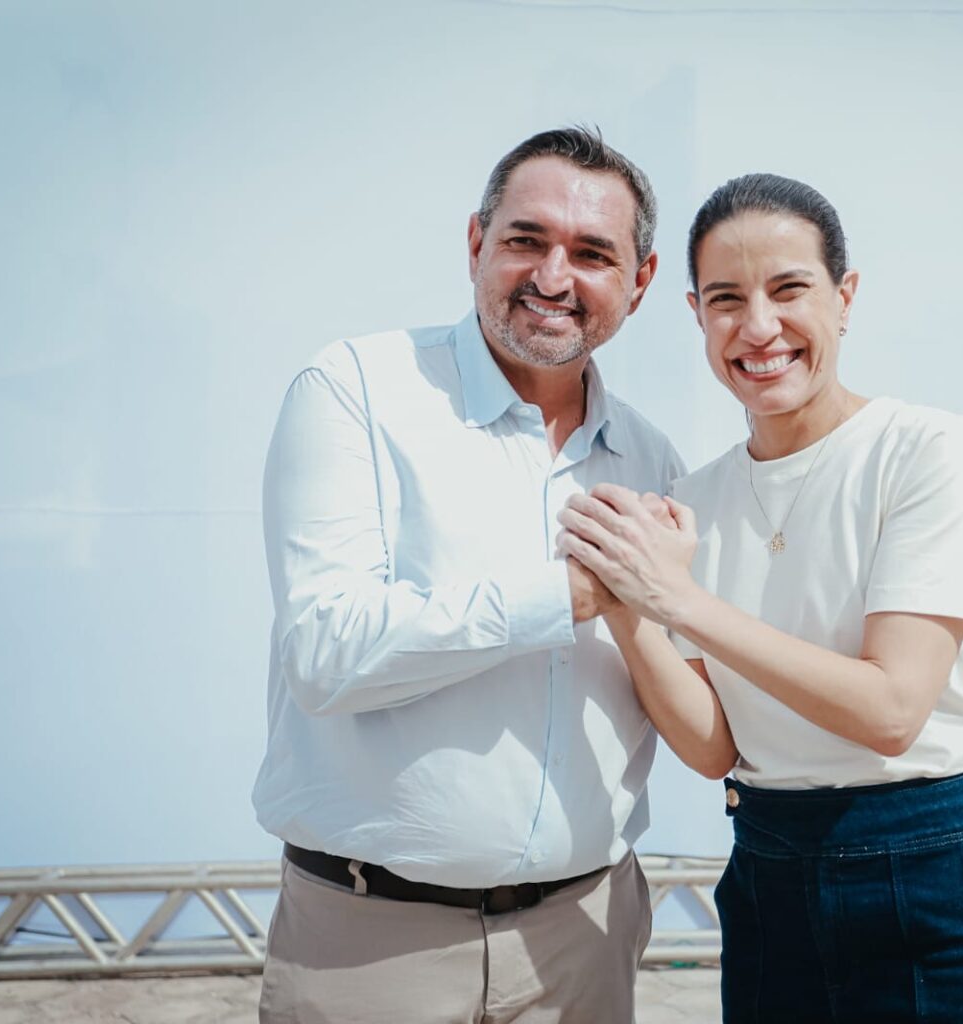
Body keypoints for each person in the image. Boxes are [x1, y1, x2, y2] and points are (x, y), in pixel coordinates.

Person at [557, 173, 963, 1022]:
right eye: (726, 299)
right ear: (696, 315)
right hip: (772, 871)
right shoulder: (698, 496)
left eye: (788, 289)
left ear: (845, 298)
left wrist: (679, 601)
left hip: (939, 869)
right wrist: (627, 607)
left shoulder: (921, 449)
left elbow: (891, 711)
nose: (758, 327)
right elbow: (714, 748)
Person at [252, 127, 684, 1024]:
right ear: (476, 242)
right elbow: (326, 654)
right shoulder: (355, 391)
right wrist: (569, 594)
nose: (553, 277)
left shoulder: (653, 460)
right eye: (527, 239)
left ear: (639, 282)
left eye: (593, 253)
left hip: (586, 939)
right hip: (373, 947)